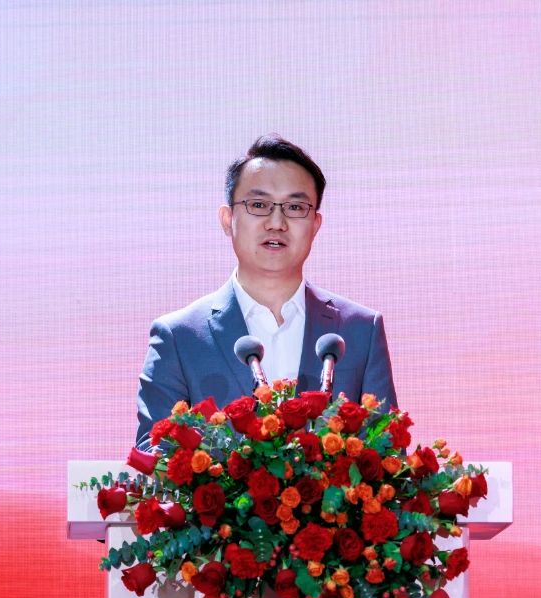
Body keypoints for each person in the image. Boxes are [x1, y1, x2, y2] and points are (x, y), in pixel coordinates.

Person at [135, 135, 397, 450]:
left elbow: (388, 452)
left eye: (295, 207)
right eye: (258, 205)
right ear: (228, 219)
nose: (276, 222)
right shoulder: (179, 337)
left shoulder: (360, 330)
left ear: (315, 225)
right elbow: (153, 456)